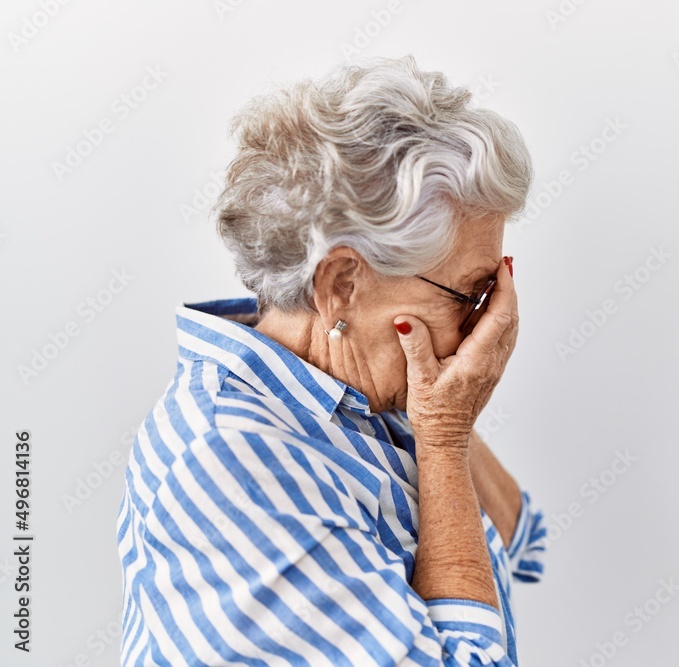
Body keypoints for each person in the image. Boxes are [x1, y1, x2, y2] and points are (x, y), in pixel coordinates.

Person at [116, 54, 548, 666]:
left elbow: (522, 542)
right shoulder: (233, 456)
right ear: (343, 284)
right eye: (471, 294)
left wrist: (446, 422)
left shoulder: (354, 384)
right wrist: (444, 440)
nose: (489, 323)